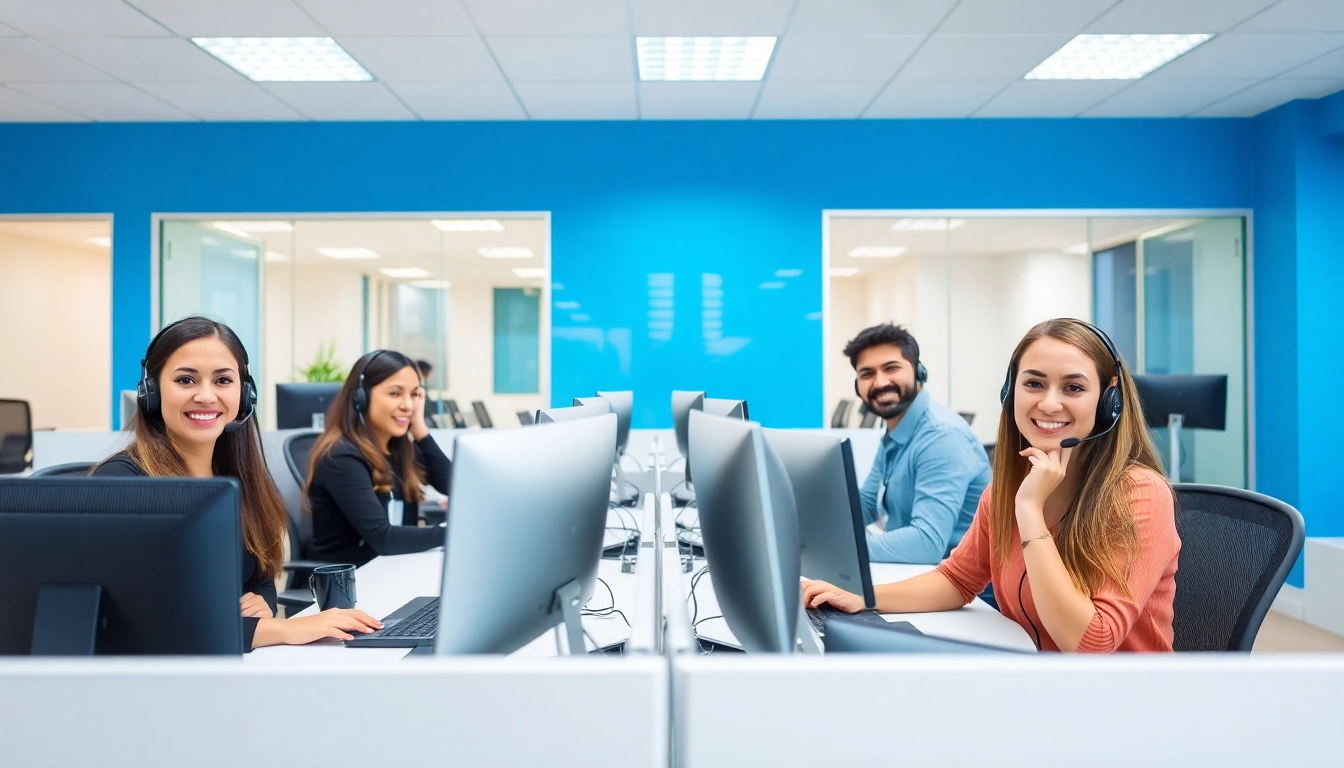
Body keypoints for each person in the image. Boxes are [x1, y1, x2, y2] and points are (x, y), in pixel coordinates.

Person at [806, 318, 1181, 652]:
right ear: (1010, 393)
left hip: (1121, 704)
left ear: (1109, 401)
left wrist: (1031, 512)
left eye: (1073, 388)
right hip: (1031, 681)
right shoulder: (1007, 488)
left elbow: (1091, 643)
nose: (1049, 404)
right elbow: (957, 579)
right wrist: (862, 598)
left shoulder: (1138, 494)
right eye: (1033, 383)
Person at [93, 316, 383, 650]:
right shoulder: (122, 483)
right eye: (186, 380)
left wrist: (263, 600)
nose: (206, 396)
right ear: (152, 392)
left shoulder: (235, 476)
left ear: (245, 395)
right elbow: (142, 620)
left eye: (223, 381)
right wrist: (284, 630)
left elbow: (258, 575)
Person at [844, 323, 990, 564]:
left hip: (968, 592)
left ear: (918, 372)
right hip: (919, 574)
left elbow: (926, 543)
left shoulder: (941, 437)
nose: (880, 383)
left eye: (891, 368)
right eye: (867, 373)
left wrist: (848, 548)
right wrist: (813, 528)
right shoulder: (896, 429)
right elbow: (868, 504)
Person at [306, 349, 450, 567]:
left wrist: (420, 430)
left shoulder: (400, 449)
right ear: (360, 398)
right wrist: (455, 534)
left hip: (391, 570)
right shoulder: (340, 458)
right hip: (347, 586)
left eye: (414, 394)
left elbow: (456, 488)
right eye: (395, 393)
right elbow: (384, 539)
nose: (408, 405)